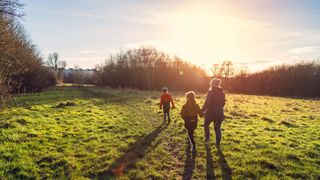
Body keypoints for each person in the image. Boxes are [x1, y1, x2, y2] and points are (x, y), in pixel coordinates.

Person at [202, 78, 225, 147]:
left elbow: (207, 103)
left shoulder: (210, 92)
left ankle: (207, 139)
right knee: (217, 128)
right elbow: (223, 103)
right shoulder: (222, 93)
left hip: (210, 113)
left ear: (212, 84)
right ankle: (218, 144)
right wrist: (219, 108)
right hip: (220, 113)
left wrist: (202, 110)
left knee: (206, 125)